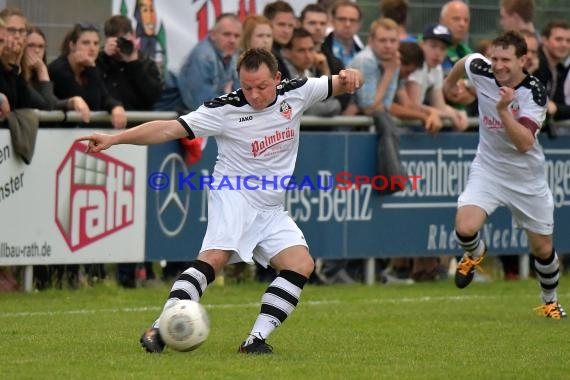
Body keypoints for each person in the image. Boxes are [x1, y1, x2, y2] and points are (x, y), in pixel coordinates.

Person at [77, 48, 363, 353]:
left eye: (262, 86)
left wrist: (349, 76)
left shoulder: (298, 92)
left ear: (277, 79)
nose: (253, 94)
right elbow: (168, 129)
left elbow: (340, 82)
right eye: (247, 86)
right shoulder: (226, 109)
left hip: (270, 206)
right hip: (233, 194)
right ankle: (160, 330)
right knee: (214, 259)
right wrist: (114, 139)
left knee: (300, 264)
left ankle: (254, 341)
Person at [443, 31, 566, 319]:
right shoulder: (481, 68)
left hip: (527, 179)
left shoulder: (534, 92)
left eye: (505, 60)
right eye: (494, 58)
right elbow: (466, 61)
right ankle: (474, 253)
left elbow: (524, 143)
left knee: (542, 248)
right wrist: (449, 84)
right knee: (464, 227)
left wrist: (503, 111)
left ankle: (549, 302)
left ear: (523, 60)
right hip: (489, 169)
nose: (497, 65)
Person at [48, 23, 127, 129]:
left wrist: (116, 106)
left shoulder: (91, 66)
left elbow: (103, 96)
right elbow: (92, 105)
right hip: (55, 132)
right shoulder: (59, 69)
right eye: (86, 43)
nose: (92, 48)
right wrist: (91, 68)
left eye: (96, 43)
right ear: (72, 45)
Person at [177, 13, 241, 112]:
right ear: (213, 35)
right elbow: (202, 104)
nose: (232, 40)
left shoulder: (233, 55)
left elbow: (241, 95)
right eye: (227, 34)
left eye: (237, 36)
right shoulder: (202, 57)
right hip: (171, 117)